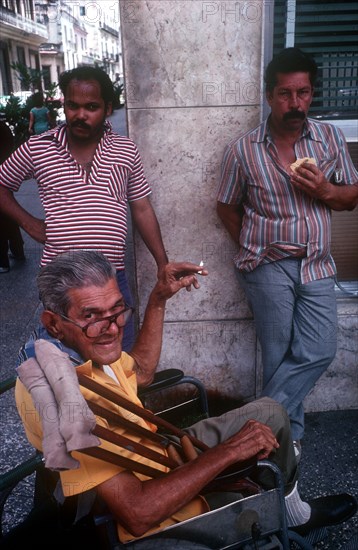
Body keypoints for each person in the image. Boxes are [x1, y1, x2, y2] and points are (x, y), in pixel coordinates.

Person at [13, 249, 356, 547]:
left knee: (271, 411)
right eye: (91, 316)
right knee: (254, 486)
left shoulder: (88, 349)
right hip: (150, 511)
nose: (113, 328)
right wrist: (229, 452)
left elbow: (142, 370)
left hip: (158, 453)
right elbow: (137, 514)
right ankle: (274, 521)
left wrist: (158, 298)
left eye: (117, 310)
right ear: (53, 324)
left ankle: (292, 514)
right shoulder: (66, 401)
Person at [216, 47, 358, 461]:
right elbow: (225, 206)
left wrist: (325, 191)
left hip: (316, 263)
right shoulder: (243, 149)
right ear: (268, 95)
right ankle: (286, 442)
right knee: (278, 355)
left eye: (303, 93)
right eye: (284, 94)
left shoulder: (329, 138)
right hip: (267, 264)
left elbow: (350, 197)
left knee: (320, 349)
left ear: (312, 94)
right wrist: (251, 245)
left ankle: (244, 430)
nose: (294, 104)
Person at [0, 66, 168, 350]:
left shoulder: (125, 150)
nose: (80, 114)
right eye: (73, 105)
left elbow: (141, 208)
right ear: (63, 104)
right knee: (65, 361)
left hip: (113, 280)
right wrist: (29, 224)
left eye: (91, 107)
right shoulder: (38, 147)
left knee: (117, 359)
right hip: (60, 283)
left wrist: (163, 262)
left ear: (107, 108)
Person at [0, 112, 25, 272]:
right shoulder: (4, 128)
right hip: (5, 176)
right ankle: (18, 251)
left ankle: (2, 261)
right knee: (9, 216)